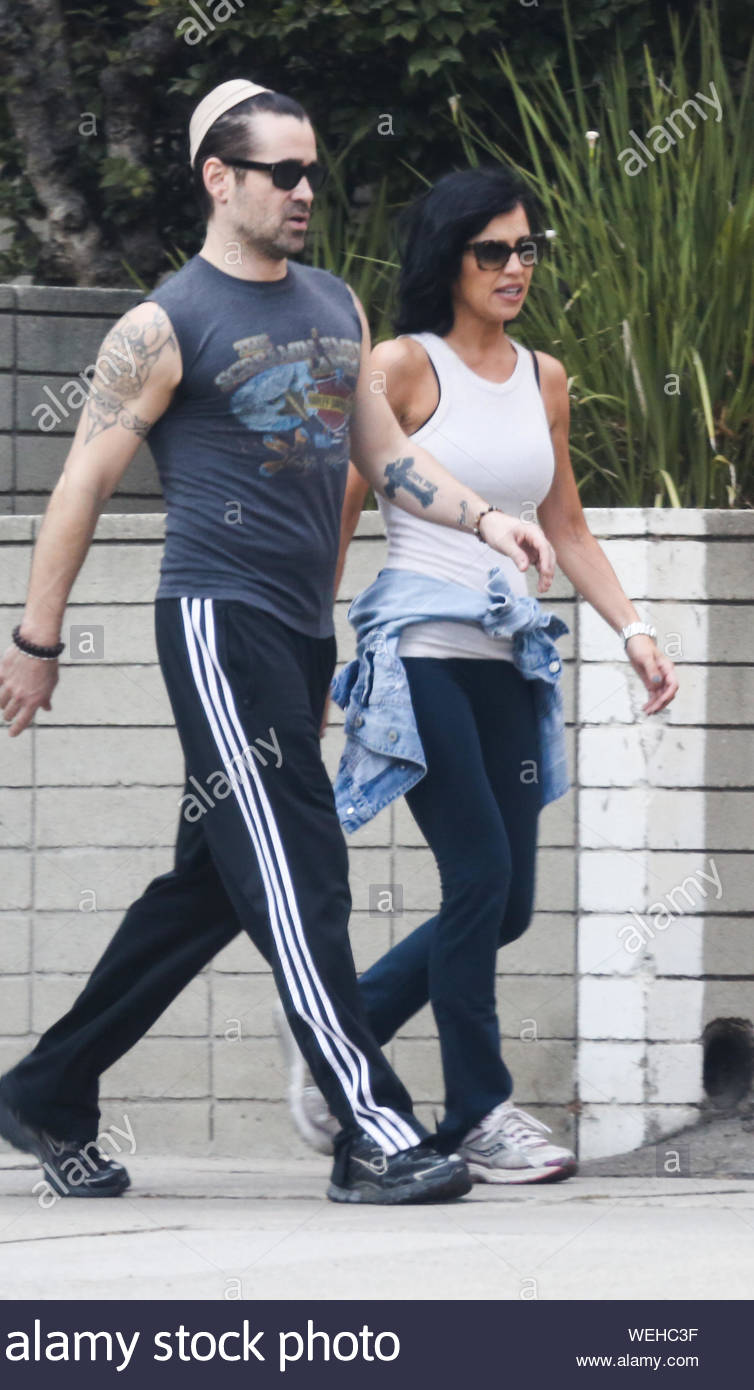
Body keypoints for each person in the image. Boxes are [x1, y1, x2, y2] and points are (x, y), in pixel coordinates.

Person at [0, 86, 557, 1205]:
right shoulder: (163, 323)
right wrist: (35, 637)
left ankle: (48, 1088)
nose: (303, 192)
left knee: (207, 887)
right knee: (301, 869)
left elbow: (385, 456)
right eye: (280, 174)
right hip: (215, 619)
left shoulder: (333, 304)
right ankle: (370, 1127)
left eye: (310, 173)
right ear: (218, 179)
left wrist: (485, 517)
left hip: (297, 631)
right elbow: (81, 481)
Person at [278, 167, 679, 1183]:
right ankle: (477, 1112)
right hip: (420, 650)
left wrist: (631, 627)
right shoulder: (401, 366)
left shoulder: (543, 376)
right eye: (490, 250)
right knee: (479, 876)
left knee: (505, 907)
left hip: (510, 658)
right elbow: (337, 513)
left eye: (525, 248)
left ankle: (340, 1028)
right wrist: (312, 649)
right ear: (447, 258)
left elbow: (566, 525)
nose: (513, 267)